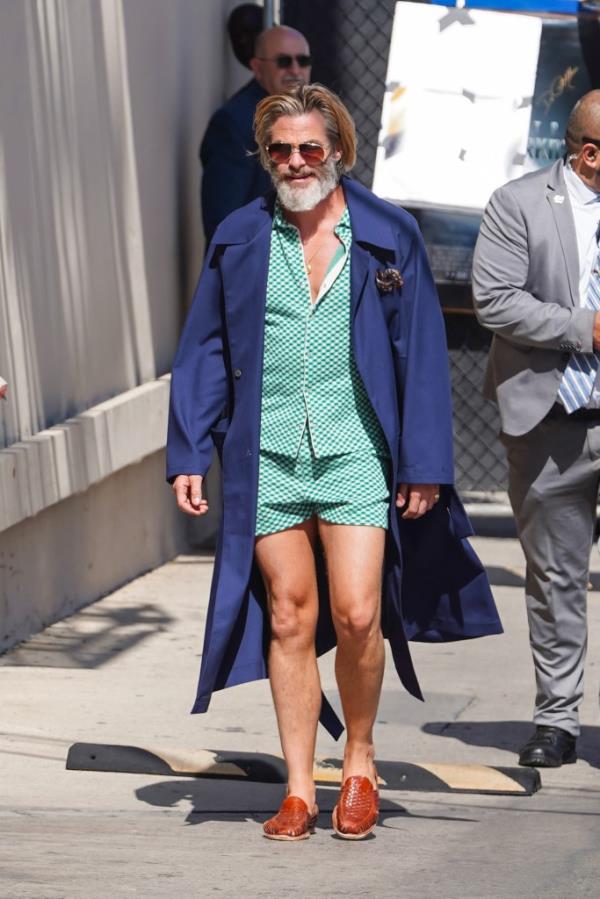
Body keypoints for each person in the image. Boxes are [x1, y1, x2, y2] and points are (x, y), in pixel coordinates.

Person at [168, 83, 501, 841]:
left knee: (356, 612)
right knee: (288, 614)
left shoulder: (387, 234)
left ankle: (358, 758)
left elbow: (419, 356)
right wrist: (190, 447)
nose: (293, 161)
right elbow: (208, 348)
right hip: (269, 453)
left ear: (338, 152)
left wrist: (424, 463)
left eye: (308, 148)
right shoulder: (241, 237)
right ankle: (296, 788)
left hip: (356, 450)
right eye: (279, 149)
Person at [473, 90, 600, 768]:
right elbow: (494, 298)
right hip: (550, 418)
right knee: (554, 575)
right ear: (588, 154)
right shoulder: (518, 204)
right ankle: (557, 717)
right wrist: (585, 328)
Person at [200, 25, 311, 243]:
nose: (296, 70)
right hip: (253, 268)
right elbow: (224, 224)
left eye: (303, 61)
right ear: (257, 68)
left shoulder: (308, 116)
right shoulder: (235, 123)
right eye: (283, 62)